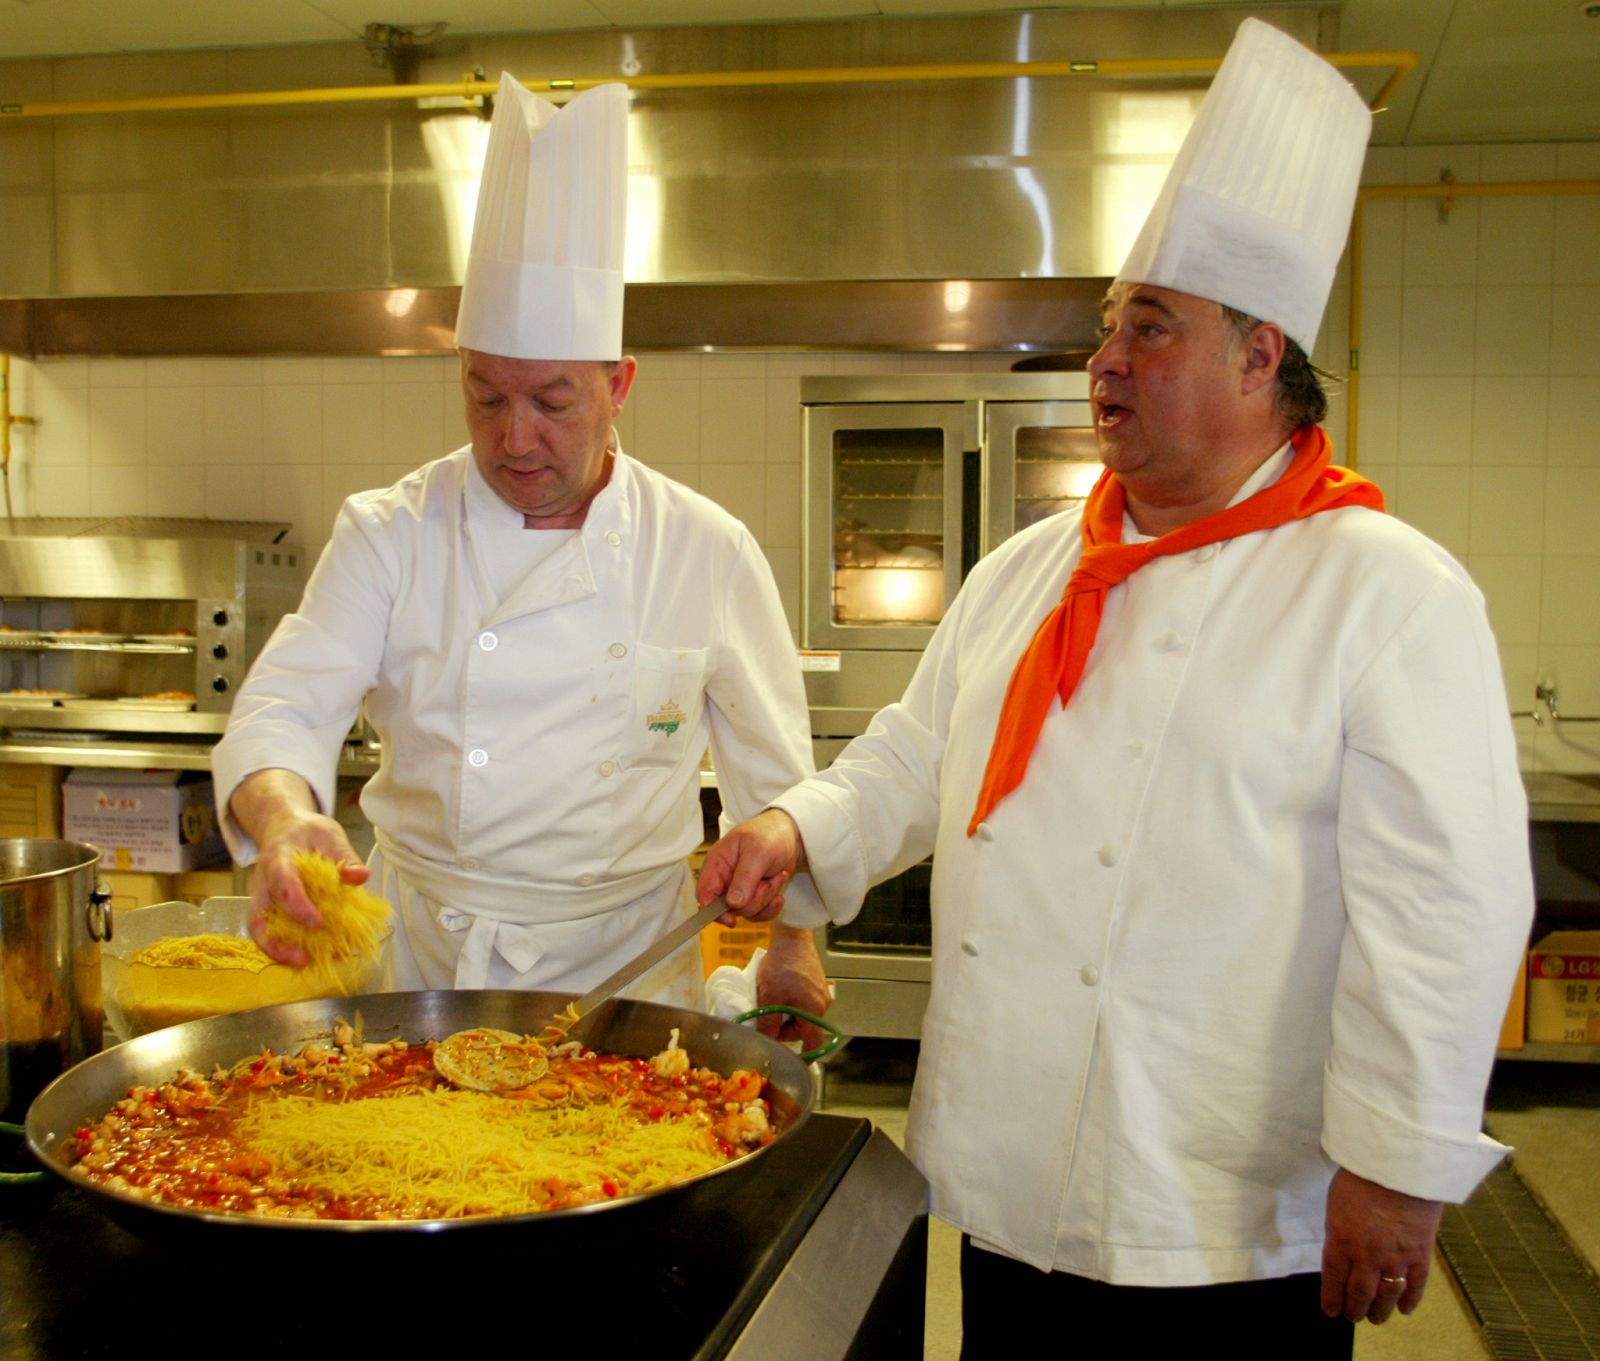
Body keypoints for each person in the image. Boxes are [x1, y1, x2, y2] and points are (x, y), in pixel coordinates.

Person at [698, 19, 1532, 1351]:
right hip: (1013, 1177)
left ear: (1259, 357)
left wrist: (1397, 1161)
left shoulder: (1384, 591)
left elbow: (1445, 906)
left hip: (1220, 1205)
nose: (1103, 363)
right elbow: (913, 758)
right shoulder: (1033, 570)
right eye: (1106, 329)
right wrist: (797, 827)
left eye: (1150, 328)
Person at [212, 74, 829, 1032]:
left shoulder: (703, 548)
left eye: (552, 400)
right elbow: (285, 708)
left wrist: (793, 944)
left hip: (629, 975)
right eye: (486, 396)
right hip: (424, 967)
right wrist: (286, 819)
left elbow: (775, 787)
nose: (514, 438)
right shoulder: (390, 532)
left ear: (619, 385)